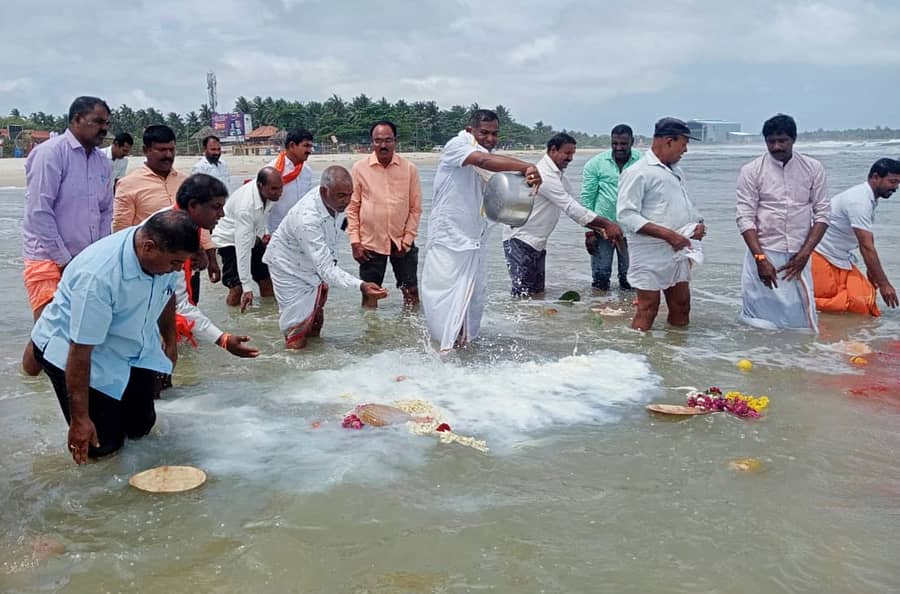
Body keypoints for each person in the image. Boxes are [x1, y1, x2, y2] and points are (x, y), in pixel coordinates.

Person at [30, 210, 199, 463]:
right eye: (175, 264)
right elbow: (80, 351)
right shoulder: (98, 277)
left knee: (141, 428)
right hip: (73, 349)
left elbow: (167, 292)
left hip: (127, 340)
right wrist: (80, 420)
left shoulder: (164, 252)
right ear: (148, 247)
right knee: (102, 447)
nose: (176, 270)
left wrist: (170, 341)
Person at [421, 109, 542, 352]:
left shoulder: (491, 158)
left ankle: (464, 356)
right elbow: (483, 161)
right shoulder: (457, 146)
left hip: (474, 243)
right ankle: (443, 354)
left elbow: (500, 191)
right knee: (444, 303)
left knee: (472, 304)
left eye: (494, 134)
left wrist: (526, 181)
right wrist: (527, 166)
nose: (490, 138)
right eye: (484, 133)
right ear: (470, 131)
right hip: (448, 242)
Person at [21, 96, 114, 376]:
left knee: (81, 334)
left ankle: (64, 386)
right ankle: (32, 383)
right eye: (97, 122)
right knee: (48, 335)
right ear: (76, 120)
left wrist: (97, 256)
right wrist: (64, 261)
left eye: (106, 123)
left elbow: (105, 211)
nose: (104, 128)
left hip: (86, 261)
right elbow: (39, 212)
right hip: (47, 259)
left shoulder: (102, 162)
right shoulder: (50, 153)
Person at [263, 166, 388, 349]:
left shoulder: (331, 200)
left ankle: (316, 359)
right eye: (341, 196)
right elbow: (327, 269)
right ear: (324, 191)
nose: (346, 201)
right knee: (296, 330)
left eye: (349, 195)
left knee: (316, 320)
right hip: (287, 268)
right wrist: (361, 285)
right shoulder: (307, 219)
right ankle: (293, 363)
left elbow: (333, 235)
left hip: (312, 264)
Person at [735, 114, 829, 332]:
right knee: (759, 319)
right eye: (771, 141)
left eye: (782, 140)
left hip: (798, 255)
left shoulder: (813, 168)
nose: (776, 146)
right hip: (763, 252)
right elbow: (744, 217)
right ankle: (764, 354)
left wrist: (805, 254)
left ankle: (801, 354)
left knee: (802, 319)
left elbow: (823, 214)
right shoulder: (752, 170)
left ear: (793, 139)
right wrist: (760, 259)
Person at [502, 133, 622, 298]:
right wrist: (607, 224)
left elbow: (577, 209)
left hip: (537, 242)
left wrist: (600, 229)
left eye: (573, 154)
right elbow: (570, 207)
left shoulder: (559, 178)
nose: (570, 158)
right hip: (520, 240)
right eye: (567, 153)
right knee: (523, 295)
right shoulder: (543, 174)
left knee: (536, 295)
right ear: (553, 150)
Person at [617, 117, 705, 331]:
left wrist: (698, 223)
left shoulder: (675, 170)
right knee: (648, 308)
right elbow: (626, 215)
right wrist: (669, 235)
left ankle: (676, 349)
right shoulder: (638, 171)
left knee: (682, 305)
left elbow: (682, 203)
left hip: (678, 248)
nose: (685, 150)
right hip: (650, 250)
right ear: (669, 141)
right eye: (684, 144)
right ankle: (636, 350)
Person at [114, 125, 220, 300]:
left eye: (172, 149)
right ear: (146, 150)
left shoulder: (187, 182)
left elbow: (200, 222)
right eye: (162, 150)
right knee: (155, 313)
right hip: (151, 268)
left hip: (187, 263)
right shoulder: (128, 184)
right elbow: (121, 230)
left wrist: (210, 258)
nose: (168, 155)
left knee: (189, 310)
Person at [160, 173, 260, 358]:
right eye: (216, 207)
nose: (222, 214)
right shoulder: (171, 236)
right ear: (193, 205)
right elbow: (180, 304)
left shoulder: (180, 221)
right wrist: (222, 339)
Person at [347, 120, 423, 308]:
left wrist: (407, 240)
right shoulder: (359, 168)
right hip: (370, 242)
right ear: (371, 142)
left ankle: (411, 326)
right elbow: (352, 208)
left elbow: (415, 208)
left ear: (395, 141)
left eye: (388, 140)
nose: (383, 145)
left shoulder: (409, 169)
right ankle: (370, 327)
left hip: (402, 241)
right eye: (378, 140)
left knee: (411, 291)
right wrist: (355, 242)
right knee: (370, 293)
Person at [812, 158, 900, 315]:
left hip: (839, 257)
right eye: (892, 182)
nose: (895, 188)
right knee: (839, 305)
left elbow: (865, 240)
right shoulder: (859, 200)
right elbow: (866, 245)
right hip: (820, 254)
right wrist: (884, 284)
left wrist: (872, 271)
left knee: (865, 302)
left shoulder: (868, 197)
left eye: (898, 183)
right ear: (875, 177)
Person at [212, 167, 283, 310]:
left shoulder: (269, 194)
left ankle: (269, 315)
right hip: (229, 240)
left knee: (267, 280)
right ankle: (233, 318)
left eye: (281, 188)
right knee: (237, 288)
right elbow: (242, 248)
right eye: (274, 189)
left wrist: (264, 233)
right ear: (260, 186)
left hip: (252, 236)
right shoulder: (246, 206)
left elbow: (262, 215)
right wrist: (247, 287)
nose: (279, 192)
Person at [581, 124, 641, 291]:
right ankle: (599, 305)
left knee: (631, 280)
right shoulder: (595, 164)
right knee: (600, 278)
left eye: (623, 144)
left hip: (633, 230)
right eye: (615, 143)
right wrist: (589, 232)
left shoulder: (643, 162)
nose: (619, 147)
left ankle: (625, 307)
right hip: (602, 230)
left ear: (632, 142)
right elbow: (587, 200)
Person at [267, 128, 314, 233]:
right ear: (292, 145)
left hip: (300, 229)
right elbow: (261, 205)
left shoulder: (307, 171)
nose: (310, 151)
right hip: (277, 230)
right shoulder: (271, 170)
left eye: (311, 146)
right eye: (306, 146)